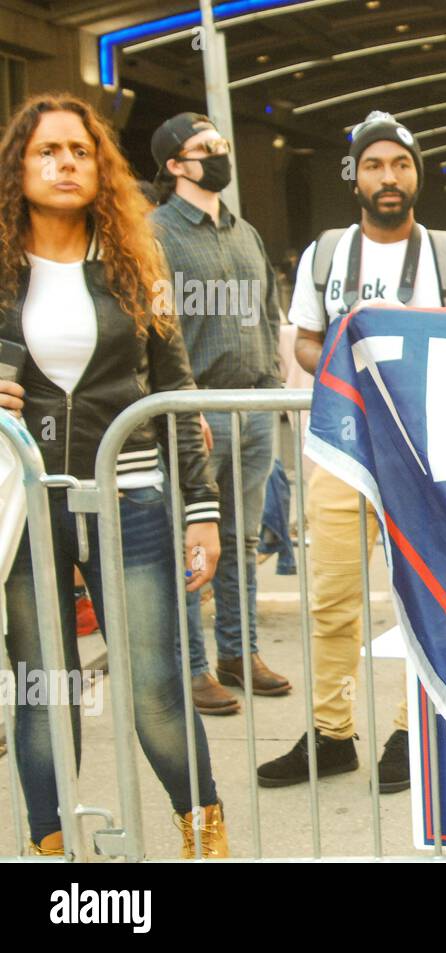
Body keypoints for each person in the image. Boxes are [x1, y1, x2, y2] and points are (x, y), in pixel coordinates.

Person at [0, 94, 228, 857]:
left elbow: (175, 390)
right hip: (26, 502)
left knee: (156, 689)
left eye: (80, 150)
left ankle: (207, 840)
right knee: (45, 691)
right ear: (19, 167)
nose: (66, 162)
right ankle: (53, 852)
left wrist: (203, 507)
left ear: (101, 166)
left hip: (129, 497)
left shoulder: (137, 262)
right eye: (47, 151)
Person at [262, 111, 446, 792]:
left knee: (418, 599)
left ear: (416, 174)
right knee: (331, 597)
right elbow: (305, 338)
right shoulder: (323, 255)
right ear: (355, 176)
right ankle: (331, 735)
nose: (387, 177)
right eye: (373, 165)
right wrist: (340, 356)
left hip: (423, 461)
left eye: (399, 164)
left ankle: (407, 731)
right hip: (341, 448)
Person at [150, 112, 291, 715]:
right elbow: (156, 330)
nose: (218, 153)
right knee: (193, 544)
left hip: (253, 406)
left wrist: (272, 386)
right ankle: (192, 665)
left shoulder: (246, 233)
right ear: (175, 165)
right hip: (197, 411)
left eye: (220, 144)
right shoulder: (154, 234)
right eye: (203, 147)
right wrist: (180, 408)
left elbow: (266, 315)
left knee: (241, 537)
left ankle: (239, 652)